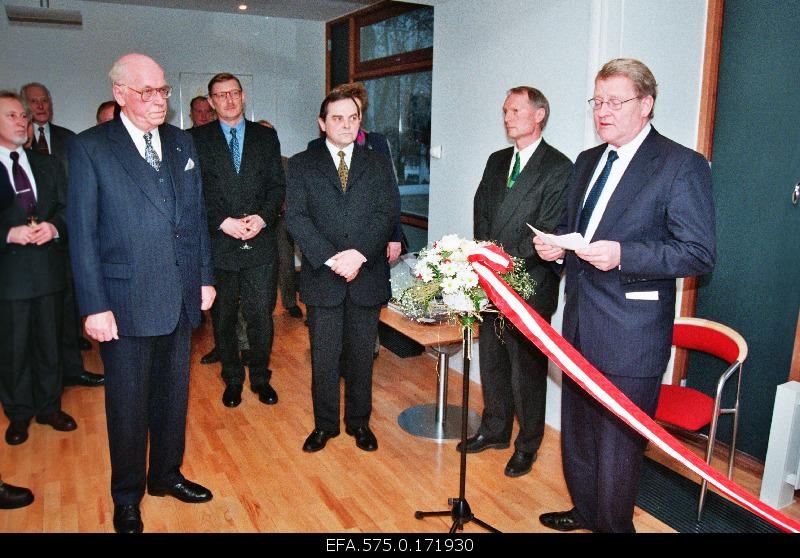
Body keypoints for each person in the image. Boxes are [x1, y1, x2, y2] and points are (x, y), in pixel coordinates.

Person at [535, 58, 715, 533]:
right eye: (598, 101)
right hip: (577, 323)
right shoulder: (588, 161)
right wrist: (556, 248)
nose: (603, 111)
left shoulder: (681, 165)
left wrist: (625, 255)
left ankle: (614, 528)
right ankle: (585, 511)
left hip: (630, 333)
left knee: (617, 444)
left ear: (646, 105)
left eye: (616, 101)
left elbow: (697, 253)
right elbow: (574, 230)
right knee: (578, 432)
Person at [67, 53, 216, 534]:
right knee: (127, 408)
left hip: (178, 297)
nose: (159, 101)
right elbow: (83, 235)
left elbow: (194, 221)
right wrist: (93, 306)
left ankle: (166, 475)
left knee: (174, 399)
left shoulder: (180, 143)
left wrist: (205, 278)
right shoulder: (92, 148)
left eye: (164, 91)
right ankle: (127, 494)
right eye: (147, 92)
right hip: (123, 303)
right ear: (120, 93)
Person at [466, 86, 571, 478]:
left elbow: (548, 227)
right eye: (505, 110)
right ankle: (494, 429)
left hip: (530, 283)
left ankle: (527, 444)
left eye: (516, 110)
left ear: (539, 114)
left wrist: (502, 261)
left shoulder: (558, 167)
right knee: (492, 361)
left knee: (525, 369)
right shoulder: (496, 161)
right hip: (490, 281)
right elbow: (480, 211)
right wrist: (482, 256)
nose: (508, 117)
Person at [287, 90, 398, 453]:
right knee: (324, 356)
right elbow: (297, 218)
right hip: (324, 276)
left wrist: (359, 255)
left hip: (365, 276)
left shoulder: (377, 164)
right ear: (322, 124)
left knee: (361, 356)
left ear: (359, 121)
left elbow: (386, 215)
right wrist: (333, 258)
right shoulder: (303, 164)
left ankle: (359, 423)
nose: (346, 124)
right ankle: (324, 426)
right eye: (337, 118)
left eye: (352, 117)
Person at [189, 73, 284, 409]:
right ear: (211, 102)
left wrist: (262, 218)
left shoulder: (265, 137)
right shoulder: (195, 139)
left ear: (243, 97)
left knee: (261, 315)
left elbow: (276, 186)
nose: (228, 100)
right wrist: (221, 222)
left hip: (260, 243)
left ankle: (260, 377)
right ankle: (232, 379)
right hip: (220, 243)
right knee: (225, 316)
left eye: (233, 93)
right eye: (220, 95)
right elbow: (193, 192)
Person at [0, 90, 78, 446]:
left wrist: (55, 227)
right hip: (10, 277)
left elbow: (66, 208)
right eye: (12, 116)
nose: (22, 122)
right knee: (14, 349)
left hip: (48, 270)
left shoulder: (45, 164)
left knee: (51, 342)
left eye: (23, 116)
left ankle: (49, 407)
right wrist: (7, 234)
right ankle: (18, 414)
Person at [20, 82, 104, 387]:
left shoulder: (71, 140)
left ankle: (72, 369)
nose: (41, 107)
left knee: (68, 311)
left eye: (45, 100)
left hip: (66, 237)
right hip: (22, 252)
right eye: (34, 102)